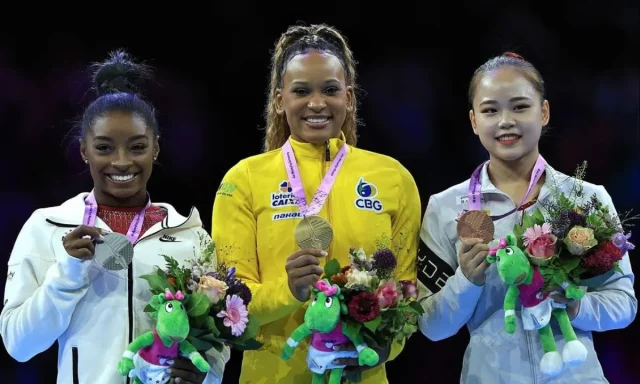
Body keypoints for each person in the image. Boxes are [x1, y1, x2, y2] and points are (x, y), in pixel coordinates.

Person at [0, 50, 229, 384]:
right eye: (105, 148)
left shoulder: (191, 236)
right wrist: (68, 272)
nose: (121, 162)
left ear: (155, 148)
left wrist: (208, 374)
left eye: (136, 147)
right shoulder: (47, 227)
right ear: (84, 150)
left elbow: (218, 335)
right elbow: (19, 345)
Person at [211, 23, 421, 383]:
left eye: (330, 90)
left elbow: (406, 292)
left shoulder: (393, 178)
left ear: (349, 97)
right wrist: (288, 291)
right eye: (301, 91)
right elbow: (231, 307)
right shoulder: (242, 180)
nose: (317, 102)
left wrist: (382, 349)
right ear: (280, 100)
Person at [417, 52, 637, 383]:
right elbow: (432, 327)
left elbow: (623, 304)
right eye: (490, 110)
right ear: (474, 121)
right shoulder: (445, 207)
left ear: (544, 112)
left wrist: (576, 308)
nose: (506, 121)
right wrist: (467, 281)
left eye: (520, 107)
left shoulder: (588, 199)